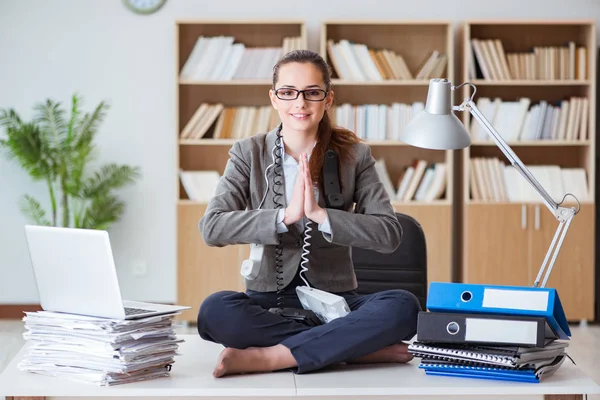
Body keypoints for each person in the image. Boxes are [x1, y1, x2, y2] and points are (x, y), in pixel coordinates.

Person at [197, 49, 421, 378]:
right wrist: (284, 216)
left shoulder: (354, 156)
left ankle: (272, 357)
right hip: (268, 302)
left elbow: (388, 234)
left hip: (337, 303)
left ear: (327, 99)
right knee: (214, 312)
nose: (300, 104)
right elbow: (212, 227)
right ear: (274, 99)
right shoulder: (249, 152)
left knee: (404, 307)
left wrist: (321, 215)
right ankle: (352, 350)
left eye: (312, 93)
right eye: (288, 93)